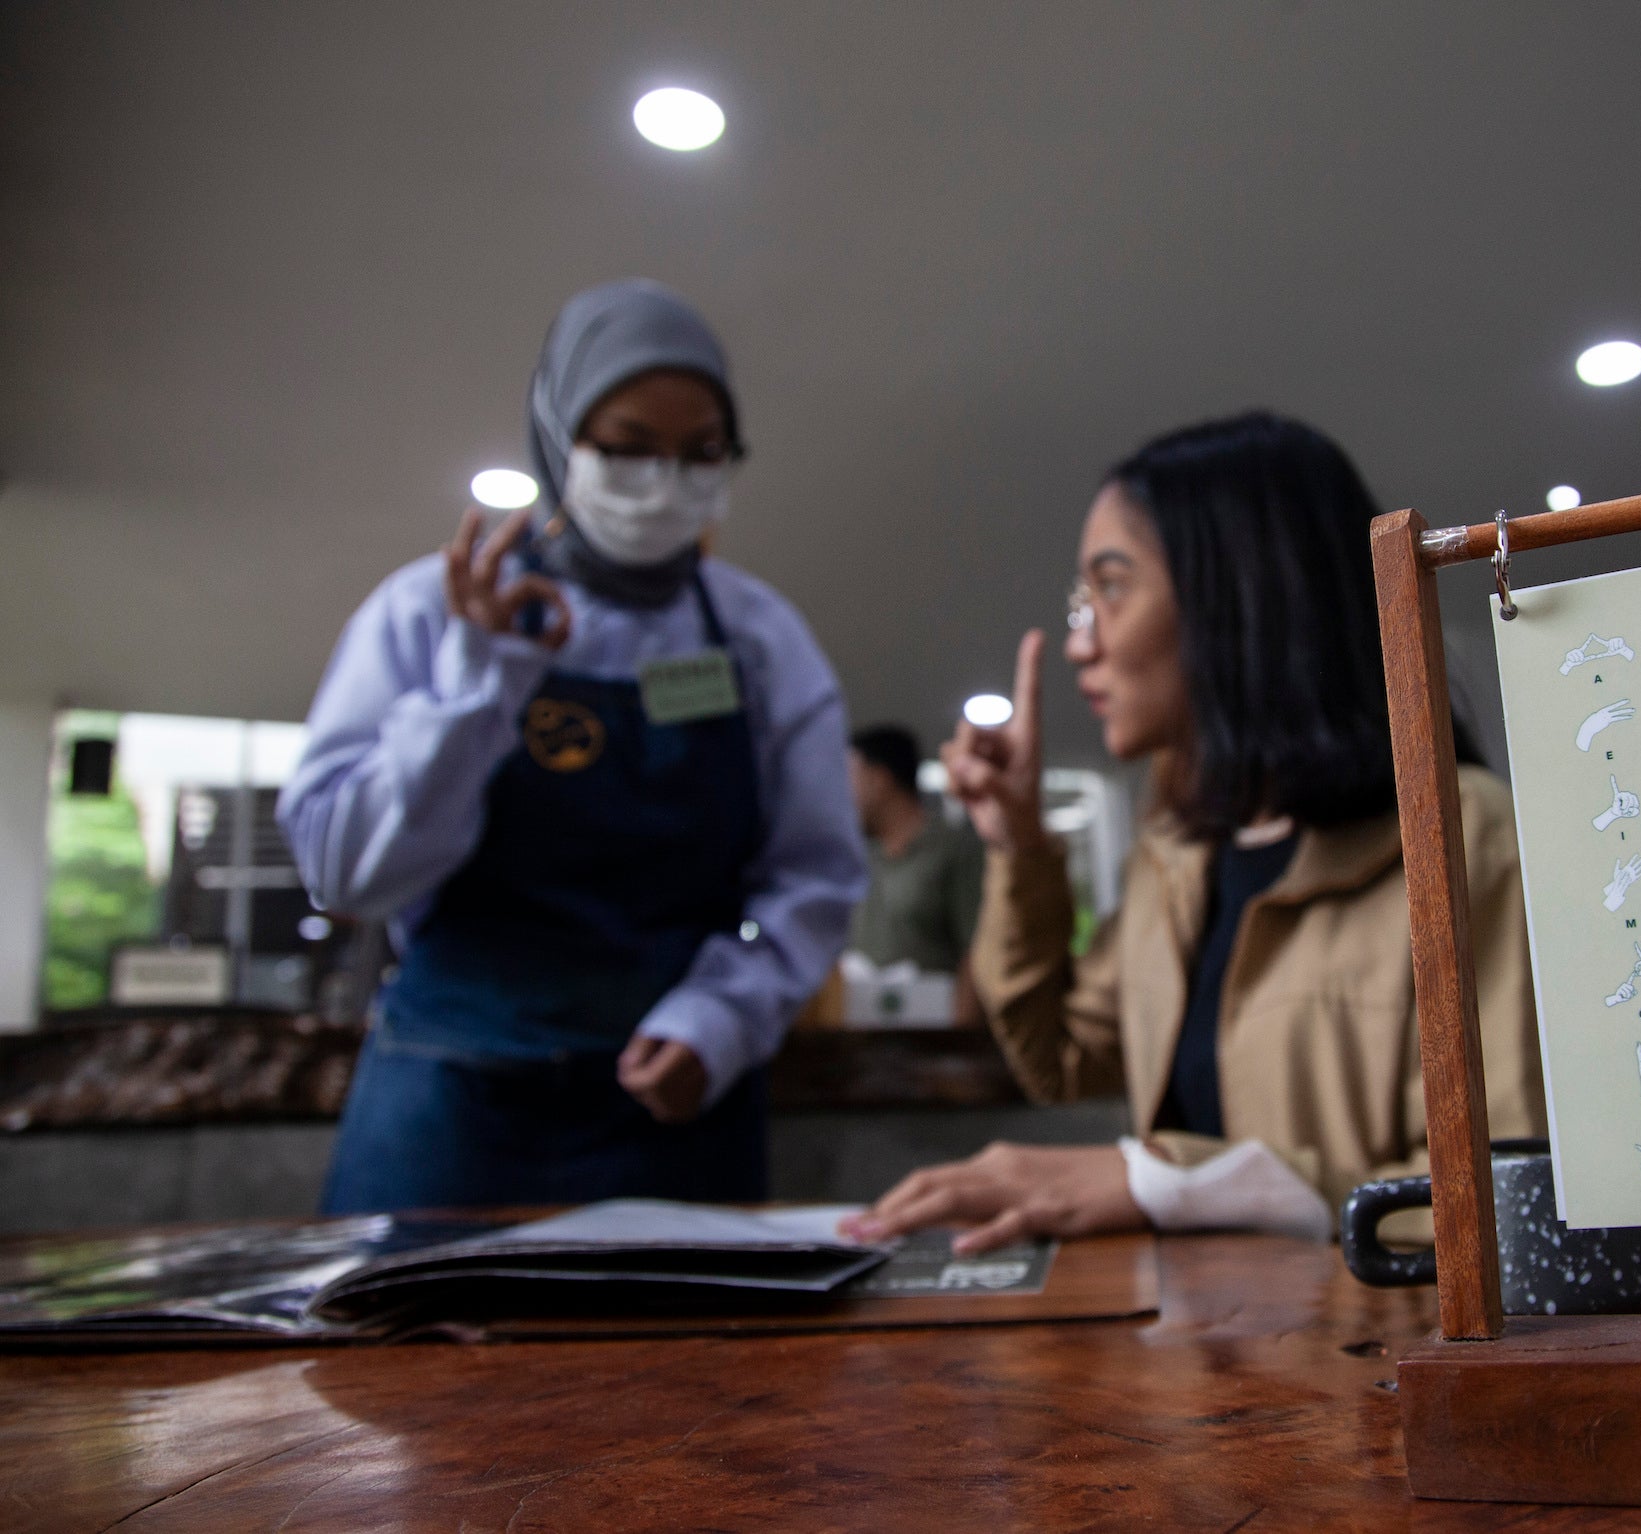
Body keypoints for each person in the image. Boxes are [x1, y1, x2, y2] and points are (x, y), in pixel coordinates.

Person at [842, 412, 1543, 1255]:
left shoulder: (1462, 836)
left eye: (1110, 588)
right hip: (1211, 1330)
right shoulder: (1176, 855)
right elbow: (1060, 1058)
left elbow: (1517, 1199)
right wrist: (1019, 846)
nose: (1079, 643)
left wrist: (1176, 1180)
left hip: (1379, 1334)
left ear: (1239, 596)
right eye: (1079, 602)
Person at [281, 279, 868, 1213]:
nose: (666, 481)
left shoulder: (761, 643)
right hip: (448, 1102)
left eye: (702, 453)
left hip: (671, 1110)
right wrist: (475, 689)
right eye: (629, 448)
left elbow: (815, 877)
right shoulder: (429, 611)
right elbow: (347, 874)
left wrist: (725, 1016)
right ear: (560, 435)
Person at [846, 724, 987, 1023]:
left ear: (879, 779)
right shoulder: (860, 859)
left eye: (850, 778)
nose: (844, 794)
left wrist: (959, 1034)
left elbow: (977, 949)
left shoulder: (952, 849)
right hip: (862, 1030)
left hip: (932, 1029)